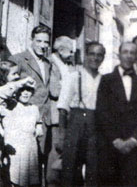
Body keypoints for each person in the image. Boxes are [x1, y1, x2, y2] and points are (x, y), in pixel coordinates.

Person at [8, 25, 59, 178]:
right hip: (24, 119)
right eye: (39, 41)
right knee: (23, 163)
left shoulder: (48, 63)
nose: (43, 46)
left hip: (44, 118)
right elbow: (9, 88)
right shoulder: (17, 59)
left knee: (40, 161)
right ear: (31, 40)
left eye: (46, 42)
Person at [96, 42, 137, 186]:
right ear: (118, 55)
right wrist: (115, 140)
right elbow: (102, 112)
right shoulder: (106, 80)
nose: (128, 56)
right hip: (111, 146)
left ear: (136, 56)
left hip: (134, 147)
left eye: (132, 53)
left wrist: (134, 140)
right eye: (125, 52)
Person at [58, 42, 105, 186]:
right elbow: (63, 108)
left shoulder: (104, 80)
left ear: (103, 58)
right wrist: (61, 136)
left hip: (95, 126)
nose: (95, 58)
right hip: (75, 124)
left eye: (99, 55)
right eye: (92, 54)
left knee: (94, 169)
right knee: (70, 169)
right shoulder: (74, 76)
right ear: (86, 55)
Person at [47, 36, 75, 185]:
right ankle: (51, 182)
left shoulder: (68, 64)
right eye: (70, 51)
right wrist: (68, 86)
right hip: (56, 114)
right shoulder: (52, 63)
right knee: (56, 148)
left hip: (67, 112)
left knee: (64, 149)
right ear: (61, 50)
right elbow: (54, 90)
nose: (72, 54)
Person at [2, 85, 43, 186]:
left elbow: (38, 122)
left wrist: (38, 127)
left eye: (28, 90)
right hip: (16, 148)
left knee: (30, 177)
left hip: (30, 147)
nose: (25, 93)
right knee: (16, 177)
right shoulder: (11, 107)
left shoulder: (34, 108)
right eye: (22, 90)